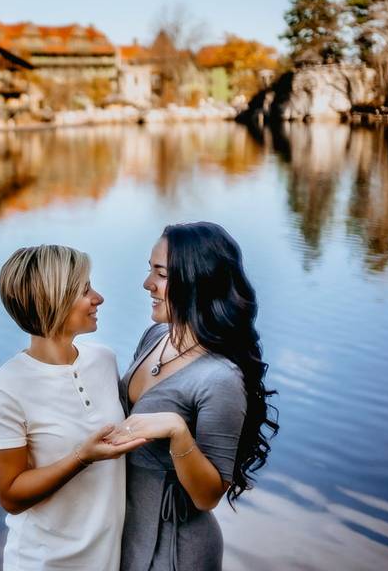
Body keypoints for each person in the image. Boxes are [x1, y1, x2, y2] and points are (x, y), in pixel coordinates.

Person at [110, 222, 279, 571]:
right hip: (125, 533)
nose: (147, 284)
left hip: (174, 550)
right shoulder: (156, 336)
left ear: (196, 281)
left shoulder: (220, 378)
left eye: (161, 274)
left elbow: (207, 496)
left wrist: (177, 430)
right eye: (149, 270)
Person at [0, 244, 145, 570]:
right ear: (53, 300)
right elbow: (11, 496)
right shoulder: (3, 389)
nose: (98, 298)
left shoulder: (103, 359)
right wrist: (81, 457)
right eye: (85, 290)